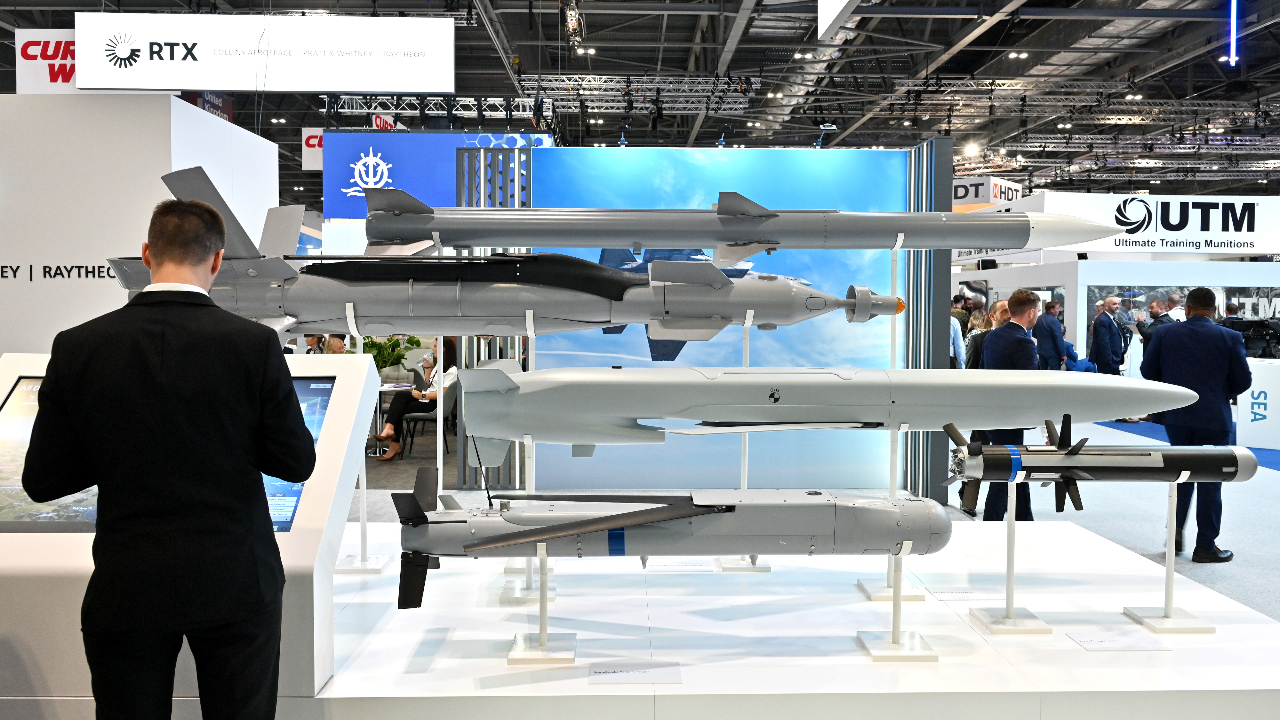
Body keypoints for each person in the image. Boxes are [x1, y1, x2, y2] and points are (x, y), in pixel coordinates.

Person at [22, 200, 317, 720]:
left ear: (146, 254)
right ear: (218, 260)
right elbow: (295, 463)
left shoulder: (77, 346)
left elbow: (42, 481)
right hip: (236, 580)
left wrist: (114, 451)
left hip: (128, 582)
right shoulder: (253, 345)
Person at [1141, 288, 1251, 563]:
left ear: (1187, 308)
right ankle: (1205, 546)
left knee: (1180, 474)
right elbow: (1243, 380)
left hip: (1176, 416)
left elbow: (1147, 371)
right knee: (1211, 480)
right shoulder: (1230, 337)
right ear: (1214, 310)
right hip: (1214, 417)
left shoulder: (1165, 333)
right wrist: (1220, 395)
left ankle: (1175, 534)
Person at [979, 289, 1041, 521]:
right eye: (1038, 311)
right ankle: (991, 520)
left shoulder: (992, 336)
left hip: (994, 413)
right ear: (1031, 312)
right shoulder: (1023, 342)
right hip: (1013, 416)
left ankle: (1025, 519)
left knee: (1015, 466)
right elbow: (1031, 386)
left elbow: (982, 373)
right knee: (1007, 469)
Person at [373, 337, 458, 461]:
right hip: (427, 398)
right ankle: (390, 431)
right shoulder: (440, 365)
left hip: (434, 404)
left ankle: (392, 439)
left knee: (399, 407)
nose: (433, 349)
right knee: (400, 396)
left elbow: (443, 393)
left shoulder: (452, 370)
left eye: (435, 346)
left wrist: (422, 396)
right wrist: (427, 368)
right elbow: (429, 384)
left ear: (443, 349)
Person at [964, 300, 1007, 369]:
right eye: (1004, 312)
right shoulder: (978, 340)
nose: (1009, 315)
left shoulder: (1020, 339)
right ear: (992, 316)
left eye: (1012, 312)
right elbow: (970, 370)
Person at [1089, 296, 1125, 375]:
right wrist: (1110, 360)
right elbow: (1103, 342)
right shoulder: (1103, 320)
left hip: (1113, 359)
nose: (1117, 306)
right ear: (1106, 306)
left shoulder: (1111, 318)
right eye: (1114, 304)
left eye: (1118, 304)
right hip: (1107, 361)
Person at [1032, 300, 1067, 370]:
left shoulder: (1039, 318)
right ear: (1052, 310)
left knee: (1043, 372)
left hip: (1041, 351)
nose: (1059, 310)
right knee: (1055, 373)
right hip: (1053, 353)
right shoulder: (1055, 321)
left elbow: (1034, 333)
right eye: (1057, 308)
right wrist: (1063, 354)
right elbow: (1059, 339)